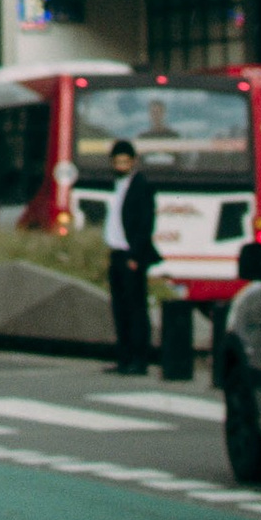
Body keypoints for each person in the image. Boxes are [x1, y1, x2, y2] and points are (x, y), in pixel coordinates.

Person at [105, 140, 159, 375]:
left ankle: (139, 360)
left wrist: (135, 255)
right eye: (117, 162)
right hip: (116, 253)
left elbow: (146, 223)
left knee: (136, 309)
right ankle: (124, 358)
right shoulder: (115, 185)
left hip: (131, 255)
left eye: (125, 162)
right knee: (120, 308)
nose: (120, 166)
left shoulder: (141, 185)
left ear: (133, 162)